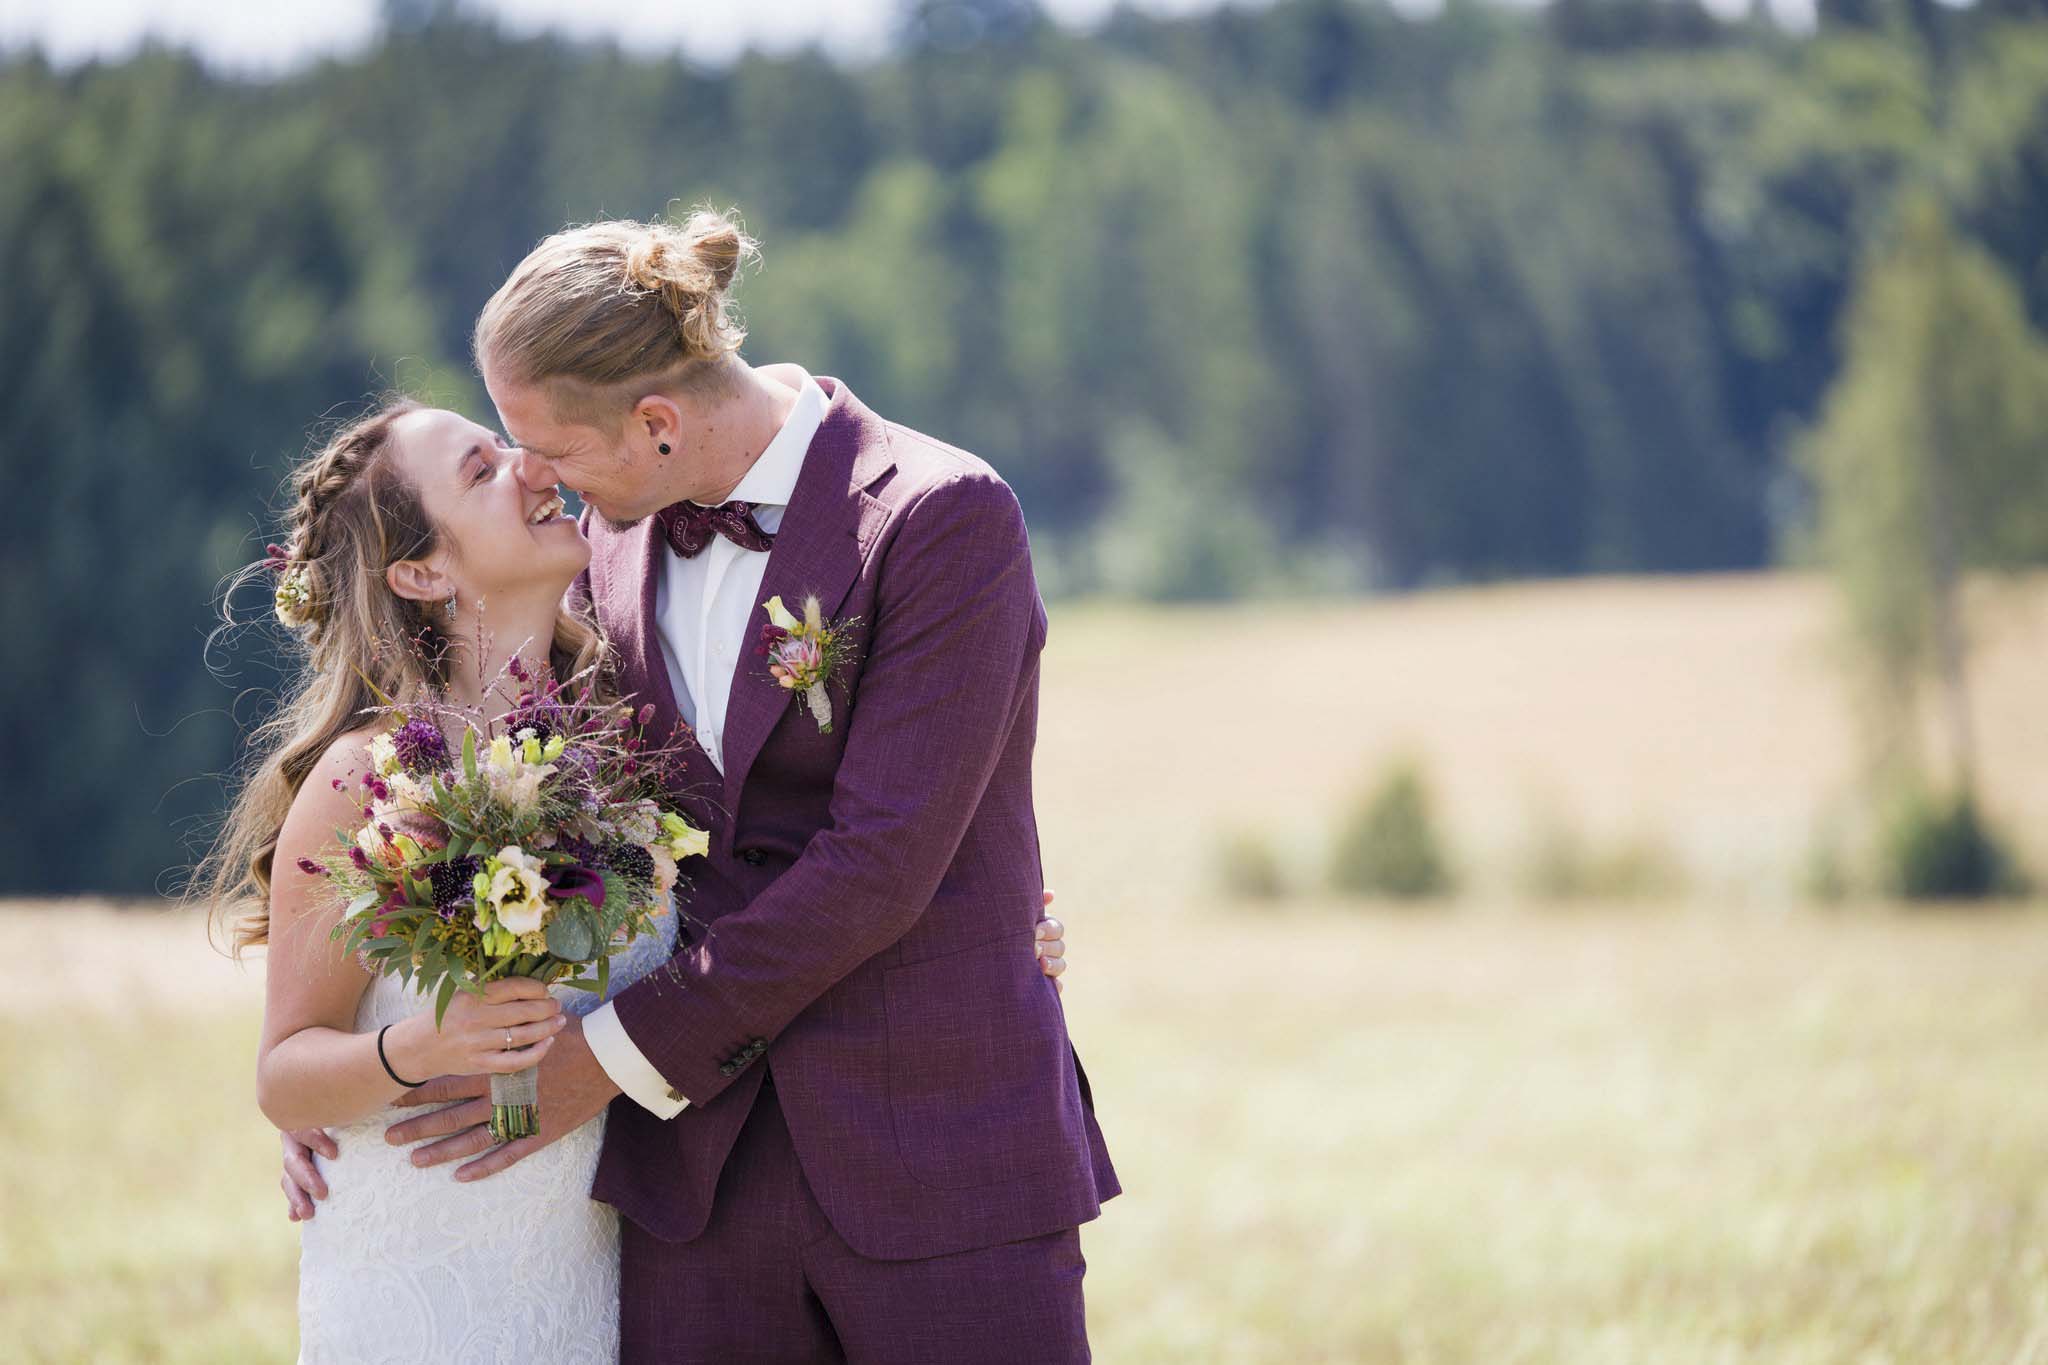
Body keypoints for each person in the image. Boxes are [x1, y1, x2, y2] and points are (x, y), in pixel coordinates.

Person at [276, 205, 1119, 1362]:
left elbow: (882, 862)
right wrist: (344, 1081)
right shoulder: (599, 556)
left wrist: (595, 1064)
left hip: (939, 1155)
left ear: (656, 424)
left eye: (551, 450)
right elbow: (474, 803)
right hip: (689, 1203)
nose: (537, 480)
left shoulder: (939, 516)